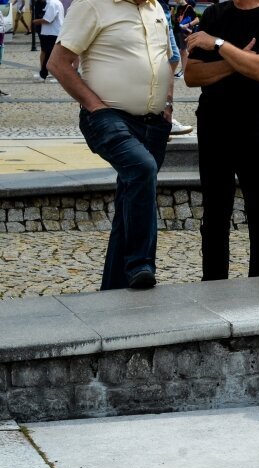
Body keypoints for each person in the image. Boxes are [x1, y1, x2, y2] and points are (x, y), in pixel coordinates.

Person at [47, 0, 174, 290]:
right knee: (142, 168)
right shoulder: (91, 4)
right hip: (106, 116)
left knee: (131, 197)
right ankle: (141, 263)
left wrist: (168, 103)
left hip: (154, 122)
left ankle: (114, 287)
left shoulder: (155, 8)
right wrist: (95, 106)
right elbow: (57, 63)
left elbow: (163, 59)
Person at [184, 0, 259, 280]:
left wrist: (219, 44)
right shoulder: (214, 14)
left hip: (257, 124)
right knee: (214, 214)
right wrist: (237, 60)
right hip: (213, 123)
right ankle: (213, 286)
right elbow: (192, 75)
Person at [163, 1, 194, 136]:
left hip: (161, 10)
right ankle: (163, 118)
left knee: (173, 57)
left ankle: (165, 115)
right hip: (157, 9)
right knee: (170, 58)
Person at [31, 0, 63, 82]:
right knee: (49, 55)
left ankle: (44, 75)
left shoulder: (52, 3)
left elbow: (48, 19)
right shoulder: (54, 3)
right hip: (51, 32)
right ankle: (45, 74)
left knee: (48, 55)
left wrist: (35, 21)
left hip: (52, 33)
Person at [173, 0, 198, 78]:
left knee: (183, 51)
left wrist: (187, 24)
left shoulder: (189, 7)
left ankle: (184, 71)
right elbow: (176, 21)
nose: (175, 0)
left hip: (184, 32)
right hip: (178, 31)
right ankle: (183, 71)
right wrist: (172, 15)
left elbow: (197, 20)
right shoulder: (179, 7)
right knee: (182, 51)